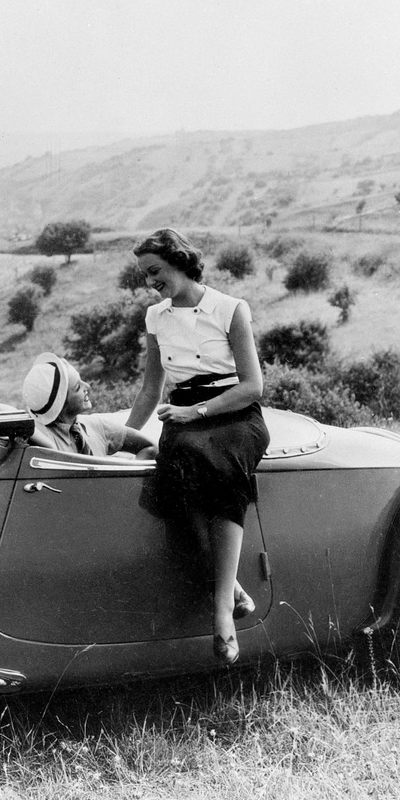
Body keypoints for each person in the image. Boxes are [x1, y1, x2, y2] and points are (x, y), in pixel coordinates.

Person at [126, 228, 269, 665]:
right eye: (146, 275)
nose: (151, 281)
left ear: (180, 262)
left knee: (217, 467)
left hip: (235, 415)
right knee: (173, 478)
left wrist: (198, 413)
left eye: (156, 271)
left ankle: (223, 611)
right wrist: (126, 439)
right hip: (184, 418)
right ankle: (233, 588)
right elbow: (152, 390)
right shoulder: (156, 318)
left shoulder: (230, 309)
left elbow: (252, 386)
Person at [22, 352, 155, 457]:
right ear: (61, 403)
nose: (87, 386)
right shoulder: (43, 437)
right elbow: (2, 408)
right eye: (77, 387)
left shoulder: (98, 425)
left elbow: (150, 447)